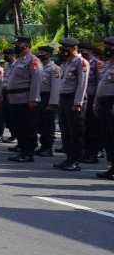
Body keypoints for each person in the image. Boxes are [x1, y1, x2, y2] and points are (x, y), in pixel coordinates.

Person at [3, 35, 41, 163]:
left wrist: (33, 99)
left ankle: (28, 153)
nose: (16, 47)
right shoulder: (19, 61)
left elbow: (36, 80)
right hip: (15, 99)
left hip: (25, 99)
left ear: (26, 46)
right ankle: (22, 150)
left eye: (18, 45)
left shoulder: (33, 60)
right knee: (18, 126)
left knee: (27, 127)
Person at [52, 37, 88, 171]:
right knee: (66, 130)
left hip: (74, 99)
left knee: (76, 131)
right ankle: (68, 157)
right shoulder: (67, 63)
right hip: (64, 99)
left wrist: (78, 103)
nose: (62, 50)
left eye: (65, 47)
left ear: (73, 48)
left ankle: (76, 160)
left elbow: (82, 84)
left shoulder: (81, 62)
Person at [80, 42, 105, 163]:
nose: (81, 52)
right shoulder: (80, 62)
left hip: (92, 98)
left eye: (83, 50)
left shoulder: (97, 64)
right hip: (82, 98)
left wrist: (97, 101)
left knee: (93, 127)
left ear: (90, 51)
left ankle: (93, 153)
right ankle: (86, 151)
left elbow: (100, 83)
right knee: (83, 127)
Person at [94, 37, 114, 179]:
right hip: (103, 103)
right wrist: (96, 103)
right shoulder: (107, 64)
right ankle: (112, 166)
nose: (106, 49)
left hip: (112, 103)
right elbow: (100, 85)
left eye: (109, 46)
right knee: (107, 136)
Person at [35, 44, 59, 157]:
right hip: (39, 97)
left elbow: (55, 87)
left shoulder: (54, 68)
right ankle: (42, 146)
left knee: (48, 124)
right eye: (39, 53)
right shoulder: (39, 67)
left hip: (48, 97)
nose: (40, 55)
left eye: (42, 53)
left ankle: (47, 148)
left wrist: (52, 103)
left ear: (48, 54)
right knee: (39, 123)